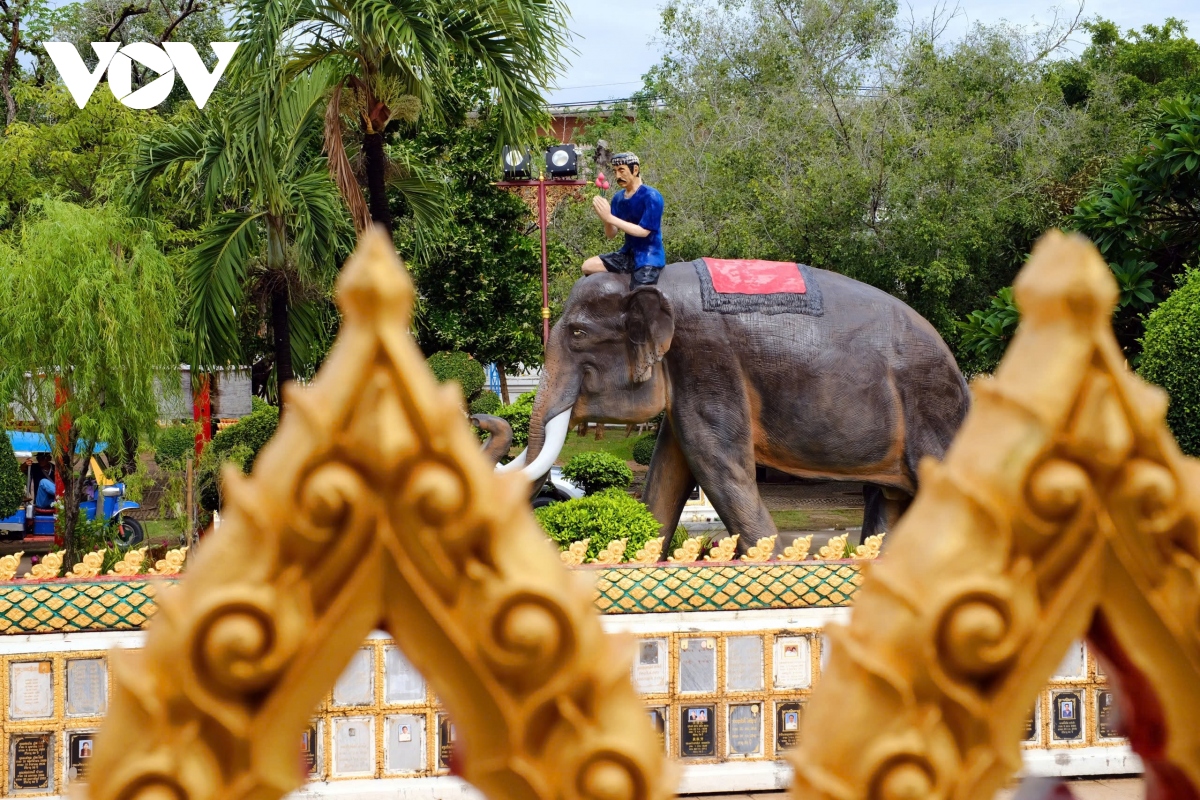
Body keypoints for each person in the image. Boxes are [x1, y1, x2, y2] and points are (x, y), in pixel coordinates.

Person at [581, 152, 666, 287]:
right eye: (615, 171)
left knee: (640, 294)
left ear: (635, 170)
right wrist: (605, 218)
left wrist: (610, 217)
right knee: (588, 266)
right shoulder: (618, 198)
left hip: (648, 256)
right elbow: (611, 234)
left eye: (622, 170)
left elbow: (643, 232)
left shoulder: (652, 196)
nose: (618, 176)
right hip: (627, 254)